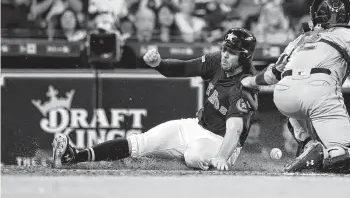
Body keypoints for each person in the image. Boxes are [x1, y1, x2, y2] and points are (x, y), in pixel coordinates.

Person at [241, 0, 350, 173]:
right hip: (320, 92)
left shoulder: (298, 40)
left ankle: (308, 144)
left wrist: (250, 81)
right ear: (345, 16)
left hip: (283, 95)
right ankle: (327, 153)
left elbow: (272, 76)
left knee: (295, 96)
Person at [52, 28, 259, 171]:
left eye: (231, 52)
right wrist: (159, 63)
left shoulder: (244, 85)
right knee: (141, 142)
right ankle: (73, 157)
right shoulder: (217, 61)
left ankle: (213, 175)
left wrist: (222, 157)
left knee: (193, 156)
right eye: (224, 48)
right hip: (197, 126)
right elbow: (184, 68)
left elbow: (235, 130)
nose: (224, 54)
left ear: (244, 57)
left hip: (223, 142)